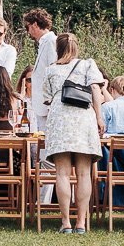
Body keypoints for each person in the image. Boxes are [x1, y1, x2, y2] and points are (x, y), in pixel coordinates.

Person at [41, 34, 106, 234]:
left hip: (60, 120)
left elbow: (47, 98)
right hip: (83, 119)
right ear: (76, 48)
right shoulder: (88, 65)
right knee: (84, 173)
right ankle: (81, 223)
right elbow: (96, 90)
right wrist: (99, 117)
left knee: (61, 173)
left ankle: (66, 222)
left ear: (57, 49)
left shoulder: (50, 70)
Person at [23, 10, 58, 132]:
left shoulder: (51, 42)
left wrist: (50, 106)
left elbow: (53, 75)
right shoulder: (45, 42)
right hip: (42, 107)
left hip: (47, 107)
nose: (28, 31)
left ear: (35, 25)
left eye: (28, 27)